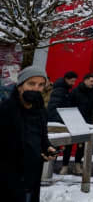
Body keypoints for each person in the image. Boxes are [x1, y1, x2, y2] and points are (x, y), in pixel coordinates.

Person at [0, 65, 58, 202]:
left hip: (32, 176)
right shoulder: (6, 110)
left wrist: (47, 148)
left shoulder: (41, 112)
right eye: (31, 83)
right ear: (20, 86)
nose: (36, 88)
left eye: (41, 85)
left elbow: (42, 138)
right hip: (8, 178)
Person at [46, 71, 78, 175]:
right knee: (54, 145)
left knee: (57, 145)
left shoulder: (64, 89)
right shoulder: (60, 90)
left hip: (59, 121)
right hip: (57, 122)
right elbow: (54, 107)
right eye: (72, 81)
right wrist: (61, 121)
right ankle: (47, 171)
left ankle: (48, 170)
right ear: (67, 79)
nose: (73, 83)